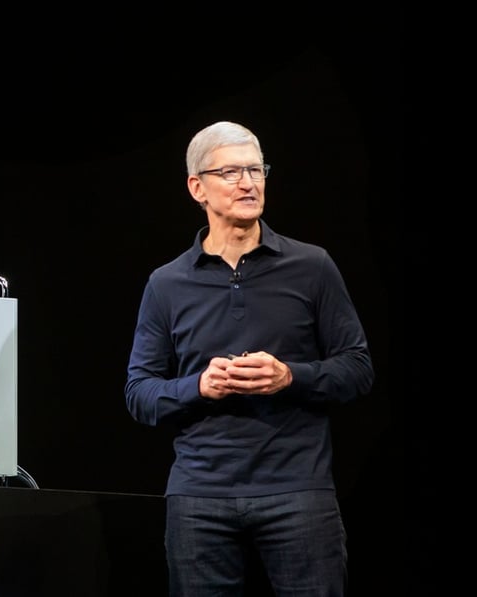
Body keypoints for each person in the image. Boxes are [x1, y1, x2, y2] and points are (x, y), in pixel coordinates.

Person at [124, 120, 374, 596]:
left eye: (256, 170)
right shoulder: (167, 283)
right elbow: (140, 392)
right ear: (197, 187)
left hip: (298, 490)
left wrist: (289, 376)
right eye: (232, 172)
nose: (248, 183)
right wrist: (197, 386)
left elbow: (357, 368)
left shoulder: (312, 266)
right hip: (200, 497)